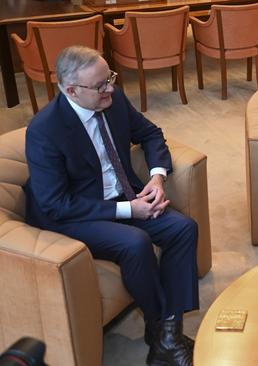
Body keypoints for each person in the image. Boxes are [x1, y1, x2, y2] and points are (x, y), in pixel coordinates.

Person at [23, 46, 198, 366]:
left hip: (122, 194)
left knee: (183, 228)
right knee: (135, 242)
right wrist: (131, 210)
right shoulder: (44, 131)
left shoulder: (112, 101)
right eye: (100, 85)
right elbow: (56, 204)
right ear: (71, 90)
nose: (110, 89)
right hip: (74, 213)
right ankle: (163, 333)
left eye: (110, 79)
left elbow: (150, 133)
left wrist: (157, 178)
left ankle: (166, 335)